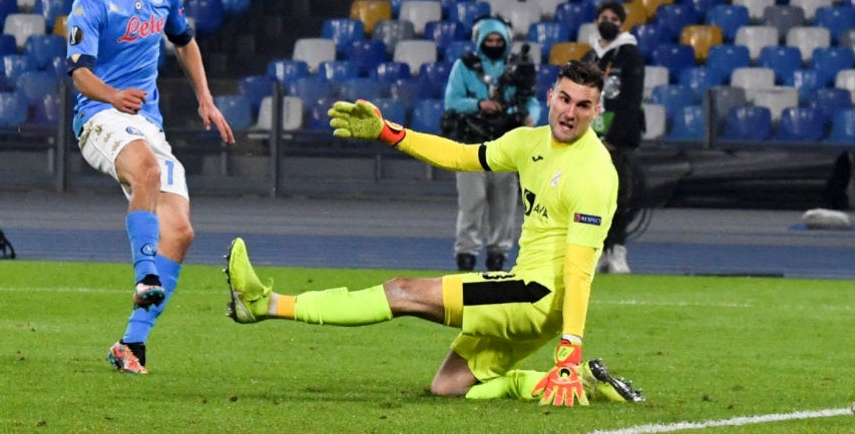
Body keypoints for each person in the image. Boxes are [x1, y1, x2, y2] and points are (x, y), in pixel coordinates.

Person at [225, 60, 644, 406]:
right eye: (565, 99)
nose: (570, 112)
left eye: (583, 105)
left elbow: (579, 270)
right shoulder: (527, 142)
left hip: (535, 295)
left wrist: (571, 344)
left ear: (596, 111)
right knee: (449, 386)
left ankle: (264, 304)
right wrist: (391, 133)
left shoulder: (593, 173)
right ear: (550, 97)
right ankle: (574, 382)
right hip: (527, 297)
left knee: (402, 291)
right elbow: (461, 155)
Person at [66, 0, 235, 375]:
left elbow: (185, 41)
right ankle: (145, 276)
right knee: (147, 169)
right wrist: (113, 94)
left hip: (147, 123)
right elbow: (79, 73)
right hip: (100, 116)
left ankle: (131, 344)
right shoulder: (90, 4)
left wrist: (205, 98)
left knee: (180, 232)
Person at [441, 17, 540, 272]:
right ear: (480, 41)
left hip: (505, 144)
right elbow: (451, 101)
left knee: (504, 205)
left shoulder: (516, 67)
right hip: (470, 144)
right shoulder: (464, 66)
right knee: (472, 202)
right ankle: (466, 254)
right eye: (489, 40)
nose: (494, 44)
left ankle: (498, 255)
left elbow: (531, 100)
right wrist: (478, 105)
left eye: (498, 40)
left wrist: (531, 117)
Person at [580, 0, 647, 275]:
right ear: (596, 21)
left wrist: (614, 138)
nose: (608, 22)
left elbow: (632, 100)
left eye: (614, 18)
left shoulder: (631, 56)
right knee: (589, 199)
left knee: (618, 197)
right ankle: (597, 250)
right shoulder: (589, 57)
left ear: (621, 24)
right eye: (604, 17)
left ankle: (618, 250)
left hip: (617, 141)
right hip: (589, 140)